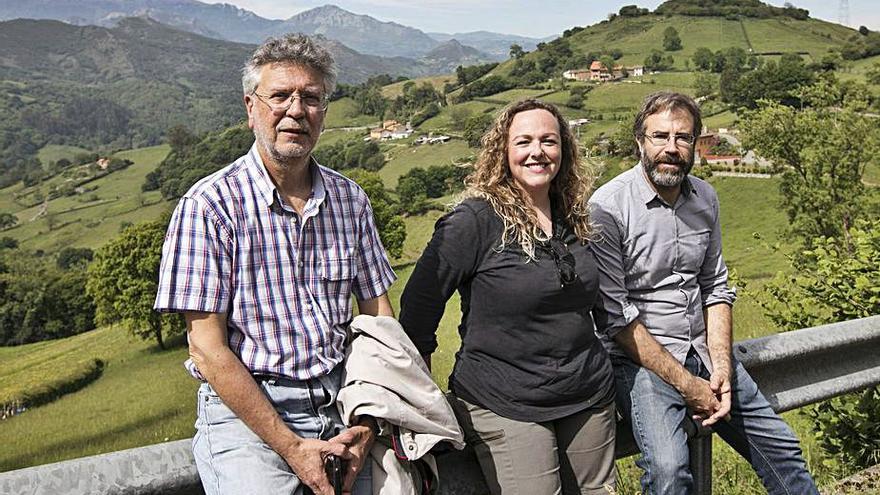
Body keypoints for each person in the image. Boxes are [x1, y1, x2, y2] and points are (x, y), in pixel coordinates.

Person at [153, 34, 396, 495]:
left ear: (324, 111)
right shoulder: (209, 206)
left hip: (342, 403)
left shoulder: (350, 200)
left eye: (311, 98)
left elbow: (379, 320)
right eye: (280, 96)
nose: (296, 110)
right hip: (250, 413)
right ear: (251, 108)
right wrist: (291, 446)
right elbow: (206, 349)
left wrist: (364, 426)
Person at [589, 91, 819, 495]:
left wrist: (721, 370)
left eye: (683, 138)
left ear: (695, 144)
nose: (671, 149)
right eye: (660, 137)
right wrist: (688, 385)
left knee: (782, 450)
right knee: (668, 471)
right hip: (640, 359)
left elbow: (714, 287)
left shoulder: (706, 199)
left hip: (703, 350)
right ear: (640, 141)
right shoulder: (607, 208)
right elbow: (616, 317)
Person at [400, 99, 617, 495]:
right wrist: (423, 398)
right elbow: (418, 309)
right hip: (505, 400)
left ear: (563, 151)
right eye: (524, 141)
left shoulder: (574, 214)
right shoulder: (475, 221)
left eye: (549, 141)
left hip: (588, 394)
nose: (537, 151)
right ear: (503, 151)